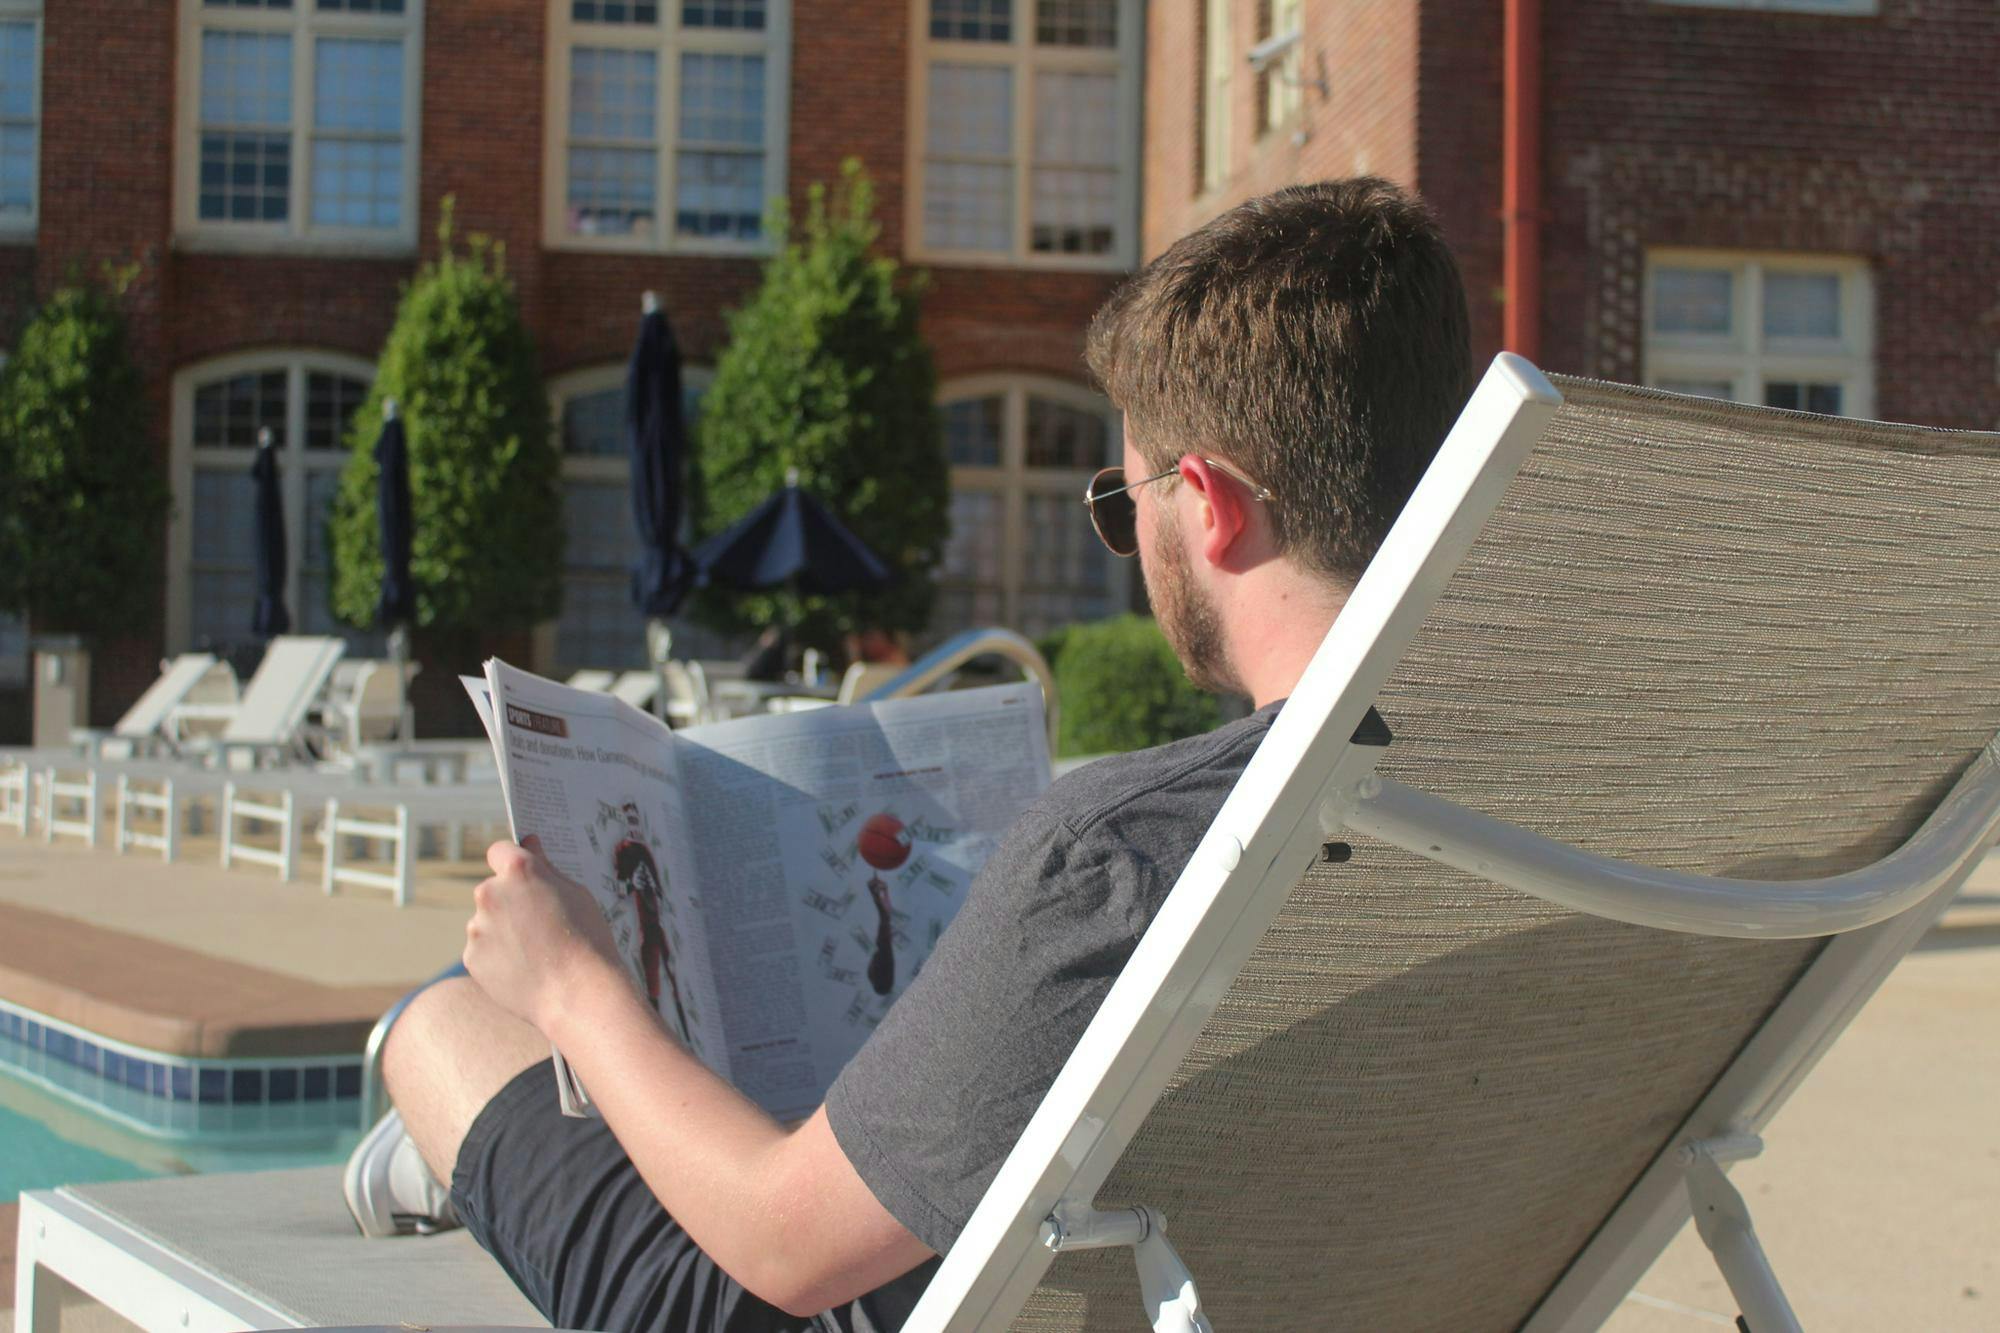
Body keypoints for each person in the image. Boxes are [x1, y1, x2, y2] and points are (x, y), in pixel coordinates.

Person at [343, 176, 1473, 1331]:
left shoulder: (1118, 858)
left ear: (1209, 506)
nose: (1128, 538)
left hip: (826, 1291)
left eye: (1120, 499)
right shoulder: (1518, 796)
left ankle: (450, 1145)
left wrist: (570, 987)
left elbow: (778, 1249)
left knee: (445, 1017)